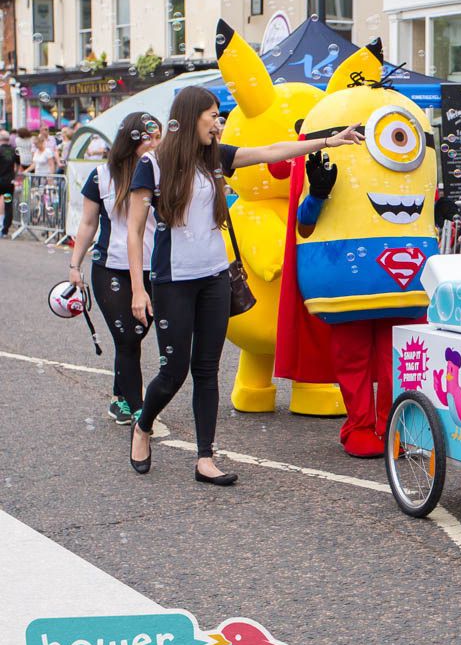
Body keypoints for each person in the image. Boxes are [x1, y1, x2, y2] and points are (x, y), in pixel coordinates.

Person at [126, 86, 362, 484]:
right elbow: (134, 232)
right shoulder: (152, 164)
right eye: (212, 114)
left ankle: (205, 458)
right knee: (173, 372)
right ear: (190, 115)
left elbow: (272, 150)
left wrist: (329, 140)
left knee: (207, 369)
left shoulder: (215, 158)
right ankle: (144, 425)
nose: (218, 122)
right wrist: (137, 288)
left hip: (216, 278)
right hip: (172, 283)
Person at [67, 112, 161, 425]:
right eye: (149, 136)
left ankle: (119, 398)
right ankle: (138, 410)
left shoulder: (162, 173)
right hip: (110, 268)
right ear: (131, 139)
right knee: (128, 338)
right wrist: (74, 265)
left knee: (137, 333)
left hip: (153, 268)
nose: (155, 143)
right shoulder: (101, 176)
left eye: (158, 136)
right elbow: (88, 223)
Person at [0, 130, 18, 237]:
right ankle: (5, 228)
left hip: (0, 180)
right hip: (9, 182)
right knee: (8, 203)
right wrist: (14, 175)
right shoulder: (13, 150)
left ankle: (1, 224)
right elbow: (18, 164)